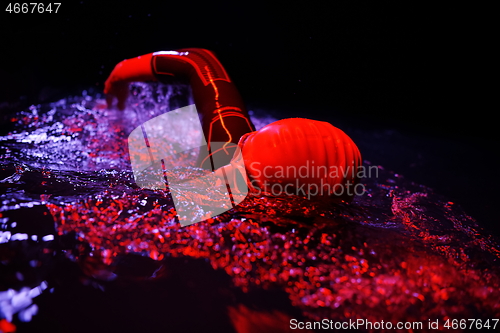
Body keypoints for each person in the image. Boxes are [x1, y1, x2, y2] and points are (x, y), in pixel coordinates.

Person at [105, 48, 362, 201]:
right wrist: (119, 75)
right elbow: (199, 62)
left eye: (246, 175)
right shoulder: (227, 153)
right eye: (242, 147)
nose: (225, 173)